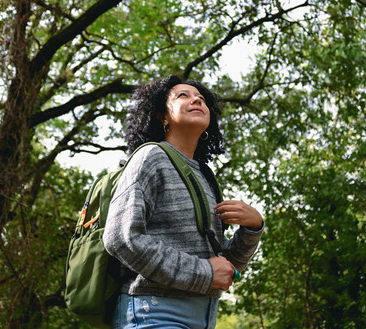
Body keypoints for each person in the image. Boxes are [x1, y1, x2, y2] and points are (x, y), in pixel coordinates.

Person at [103, 74, 264, 329]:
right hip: (153, 312)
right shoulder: (150, 157)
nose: (197, 100)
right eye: (183, 96)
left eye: (201, 98)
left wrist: (252, 230)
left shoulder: (205, 176)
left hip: (205, 316)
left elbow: (222, 267)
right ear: (162, 116)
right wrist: (204, 273)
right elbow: (121, 237)